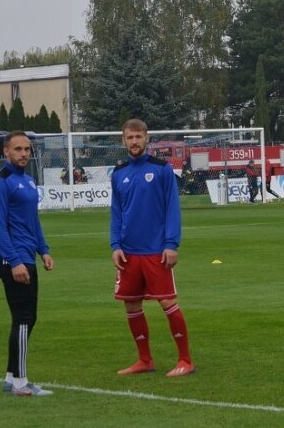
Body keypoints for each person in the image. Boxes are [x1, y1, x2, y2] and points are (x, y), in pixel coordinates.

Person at [111, 119, 194, 378]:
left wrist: (171, 244)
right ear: (123, 140)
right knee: (131, 306)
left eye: (138, 136)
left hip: (156, 250)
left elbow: (172, 208)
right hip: (128, 252)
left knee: (167, 302)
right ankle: (145, 360)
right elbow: (116, 212)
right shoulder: (119, 172)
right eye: (129, 137)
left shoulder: (161, 169)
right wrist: (115, 245)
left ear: (147, 139)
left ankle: (185, 360)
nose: (134, 141)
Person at [0, 131, 54, 396]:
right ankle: (21, 383)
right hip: (12, 259)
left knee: (27, 318)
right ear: (6, 151)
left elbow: (32, 221)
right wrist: (14, 261)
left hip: (27, 256)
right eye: (18, 149)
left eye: (27, 149)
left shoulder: (26, 180)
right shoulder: (0, 183)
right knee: (23, 319)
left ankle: (10, 376)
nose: (24, 153)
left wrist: (43, 249)